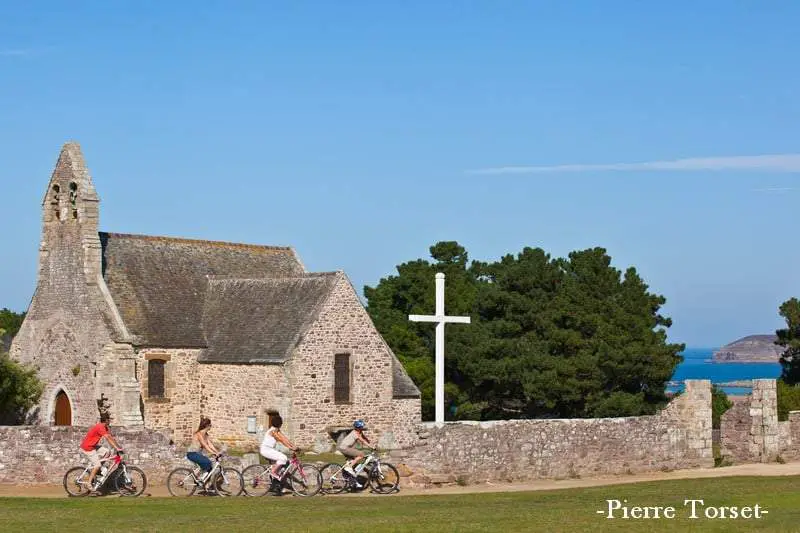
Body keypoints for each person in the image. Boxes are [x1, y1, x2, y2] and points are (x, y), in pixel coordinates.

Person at [79, 413, 123, 491]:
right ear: (106, 420)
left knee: (107, 452)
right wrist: (116, 448)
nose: (110, 421)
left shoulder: (105, 427)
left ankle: (98, 470)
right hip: (88, 447)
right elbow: (107, 438)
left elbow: (110, 437)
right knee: (97, 465)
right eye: (109, 419)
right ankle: (89, 483)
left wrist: (119, 447)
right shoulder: (100, 427)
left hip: (92, 446)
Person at [259, 414, 299, 492]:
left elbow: (285, 439)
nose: (282, 424)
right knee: (283, 458)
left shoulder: (276, 430)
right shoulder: (272, 431)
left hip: (269, 450)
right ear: (279, 424)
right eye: (281, 423)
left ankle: (276, 485)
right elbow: (281, 440)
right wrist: (291, 448)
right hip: (266, 450)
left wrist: (294, 446)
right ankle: (273, 472)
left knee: (284, 463)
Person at [338, 419, 374, 487]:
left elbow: (364, 438)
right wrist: (372, 447)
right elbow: (363, 441)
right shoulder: (355, 433)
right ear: (358, 428)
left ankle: (353, 481)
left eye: (362, 427)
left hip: (344, 447)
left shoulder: (358, 432)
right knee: (361, 454)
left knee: (353, 461)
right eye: (361, 427)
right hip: (345, 448)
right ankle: (349, 467)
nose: (362, 428)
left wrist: (370, 443)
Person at [187, 417, 221, 484]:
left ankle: (204, 483)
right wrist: (213, 453)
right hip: (192, 453)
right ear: (207, 426)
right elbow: (205, 445)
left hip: (197, 454)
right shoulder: (199, 434)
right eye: (210, 425)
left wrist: (217, 452)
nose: (211, 426)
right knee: (207, 462)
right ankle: (198, 477)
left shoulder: (206, 435)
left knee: (210, 467)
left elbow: (210, 444)